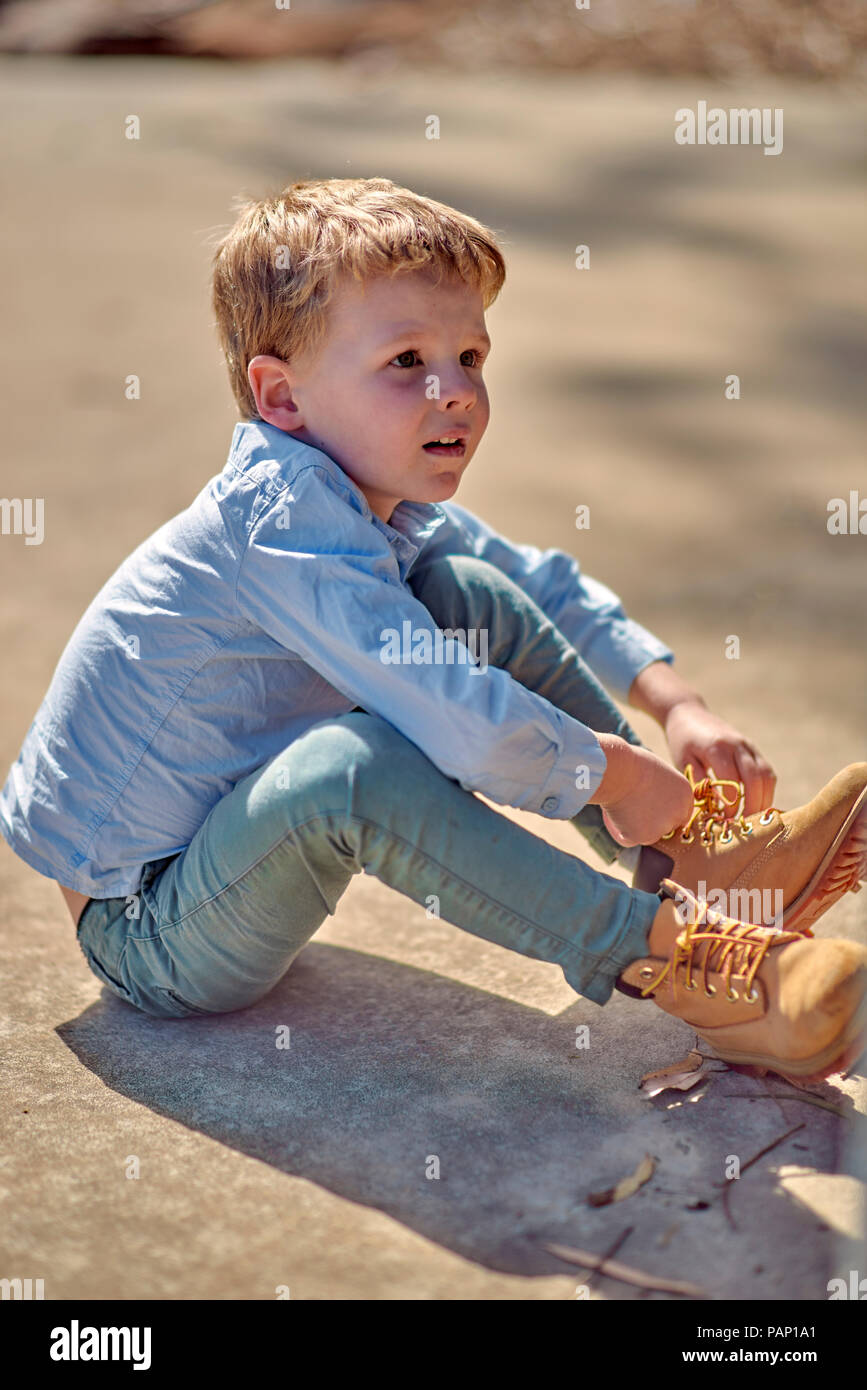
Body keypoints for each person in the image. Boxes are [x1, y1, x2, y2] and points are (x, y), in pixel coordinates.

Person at [1, 176, 864, 1083]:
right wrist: (607, 768)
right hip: (152, 928)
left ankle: (692, 862)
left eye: (470, 356)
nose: (453, 391)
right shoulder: (285, 528)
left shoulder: (363, 495)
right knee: (353, 766)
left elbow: (541, 585)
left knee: (467, 589)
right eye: (406, 361)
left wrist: (673, 703)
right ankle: (681, 961)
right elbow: (463, 724)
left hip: (227, 847)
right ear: (283, 398)